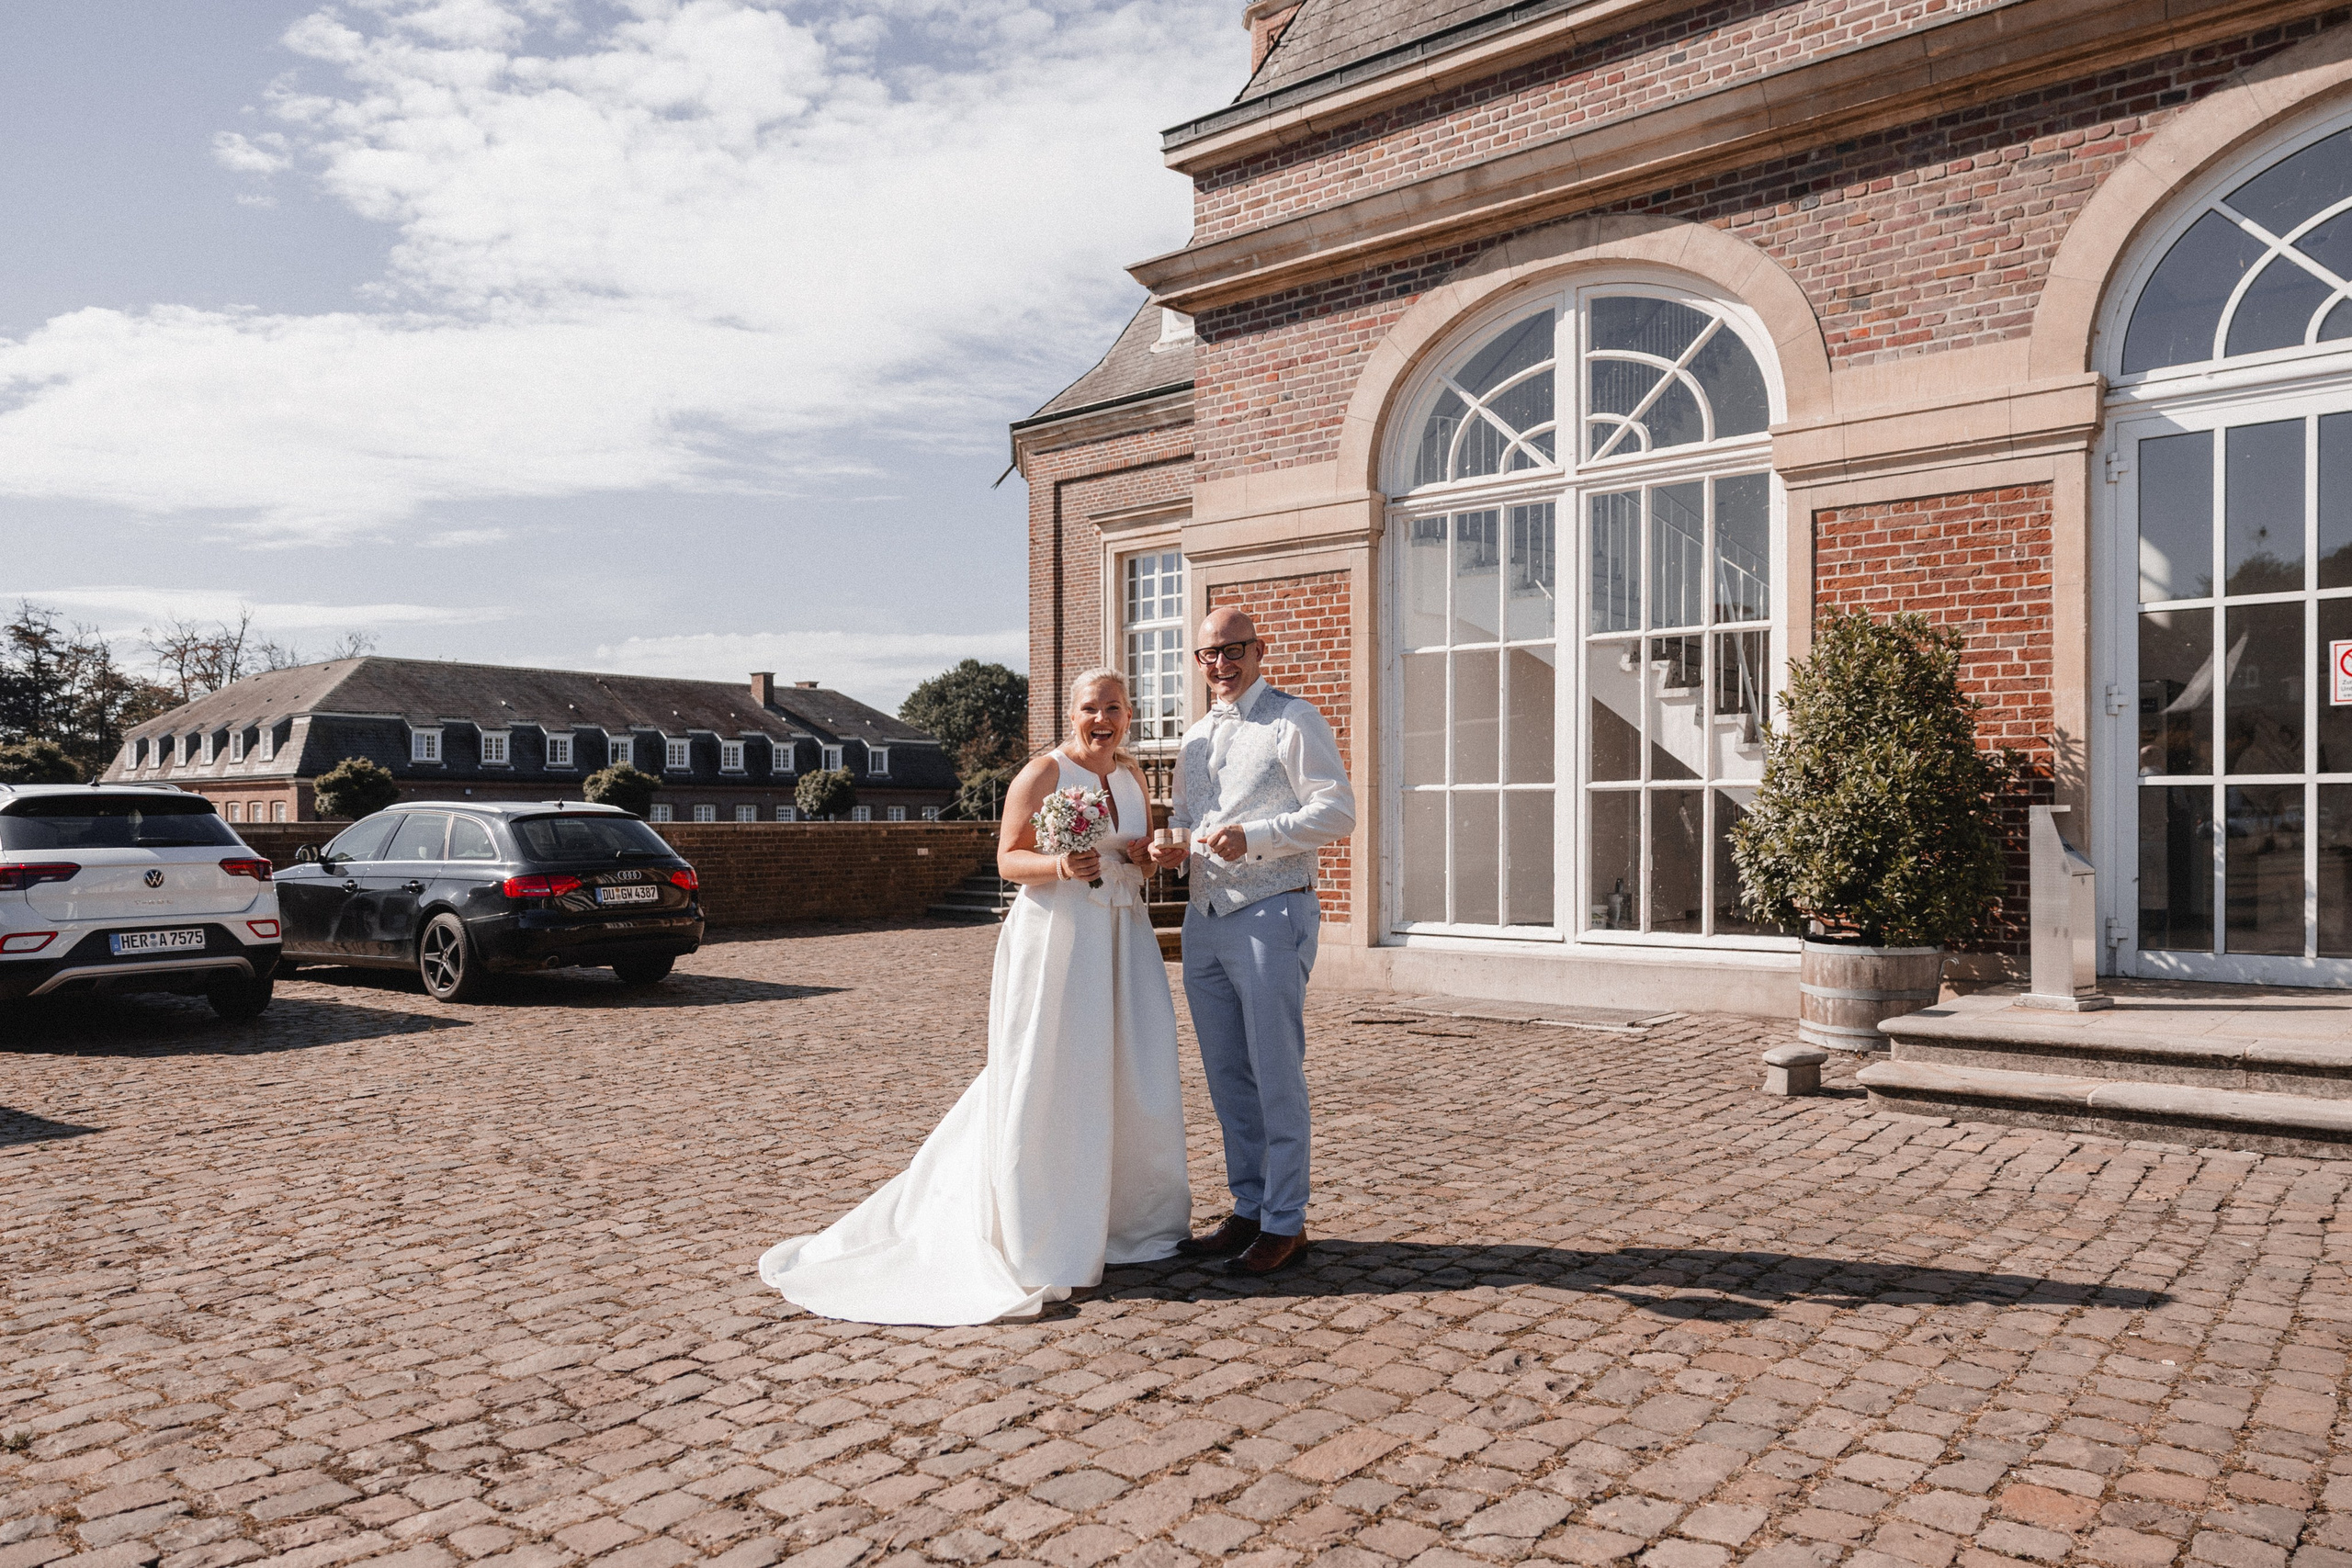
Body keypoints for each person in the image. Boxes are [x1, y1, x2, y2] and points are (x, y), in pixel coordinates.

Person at [758, 669, 1192, 1324]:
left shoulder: (1131, 777)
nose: (1100, 718)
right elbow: (1007, 860)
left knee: (1131, 1070)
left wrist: (1146, 856)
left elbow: (1129, 856)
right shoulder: (1042, 774)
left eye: (1113, 707)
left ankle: (1124, 1221)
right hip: (1058, 943)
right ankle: (1042, 1229)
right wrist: (1057, 865)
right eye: (1088, 708)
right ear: (1070, 713)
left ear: (1129, 713)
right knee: (1051, 1074)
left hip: (1122, 941)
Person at [1150, 607, 1355, 1277]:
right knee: (1227, 1075)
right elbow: (1188, 817)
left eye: (1233, 650)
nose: (1220, 663)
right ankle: (1249, 1204)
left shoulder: (1294, 720)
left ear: (1257, 650)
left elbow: (1338, 809)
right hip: (1205, 922)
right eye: (1208, 653)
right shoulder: (1197, 734)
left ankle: (1286, 1221)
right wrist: (1168, 846)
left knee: (1275, 1072)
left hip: (1272, 912)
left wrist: (1258, 839)